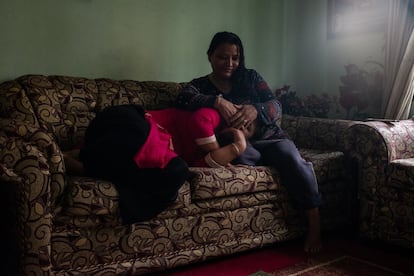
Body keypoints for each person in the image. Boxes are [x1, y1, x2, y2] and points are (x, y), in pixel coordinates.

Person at [175, 31, 322, 253]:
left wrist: (256, 109)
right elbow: (182, 98)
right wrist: (217, 102)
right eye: (223, 57)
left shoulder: (250, 78)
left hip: (270, 138)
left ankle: (315, 228)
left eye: (235, 58)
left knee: (292, 160)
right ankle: (268, 162)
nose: (230, 63)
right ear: (210, 56)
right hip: (243, 147)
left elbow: (276, 106)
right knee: (240, 156)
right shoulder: (201, 85)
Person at [63, 104, 247, 223]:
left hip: (132, 155)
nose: (243, 127)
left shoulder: (223, 149)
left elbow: (201, 167)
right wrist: (217, 147)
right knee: (139, 135)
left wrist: (237, 148)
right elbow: (200, 120)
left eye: (249, 129)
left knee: (178, 170)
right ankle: (84, 158)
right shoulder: (216, 117)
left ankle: (83, 162)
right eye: (243, 123)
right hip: (129, 123)